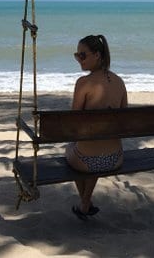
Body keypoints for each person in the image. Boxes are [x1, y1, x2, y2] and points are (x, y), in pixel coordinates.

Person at [65, 33, 128, 220]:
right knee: (91, 150)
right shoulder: (119, 81)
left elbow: (74, 121)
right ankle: (86, 203)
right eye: (77, 56)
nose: (79, 60)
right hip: (116, 158)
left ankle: (85, 202)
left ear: (97, 55)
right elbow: (124, 119)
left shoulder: (83, 83)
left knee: (71, 148)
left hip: (87, 162)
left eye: (82, 55)